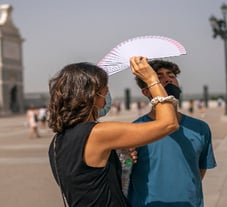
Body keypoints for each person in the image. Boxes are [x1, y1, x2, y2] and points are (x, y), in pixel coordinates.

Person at [47, 56, 179, 207]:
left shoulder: (57, 141)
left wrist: (119, 155)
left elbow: (89, 183)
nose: (108, 91)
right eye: (105, 87)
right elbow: (169, 124)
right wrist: (151, 79)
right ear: (92, 94)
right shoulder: (98, 133)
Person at [127, 59, 217, 207]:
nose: (168, 79)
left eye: (171, 76)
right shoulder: (135, 130)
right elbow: (125, 172)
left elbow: (198, 171)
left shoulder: (200, 128)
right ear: (146, 91)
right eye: (159, 77)